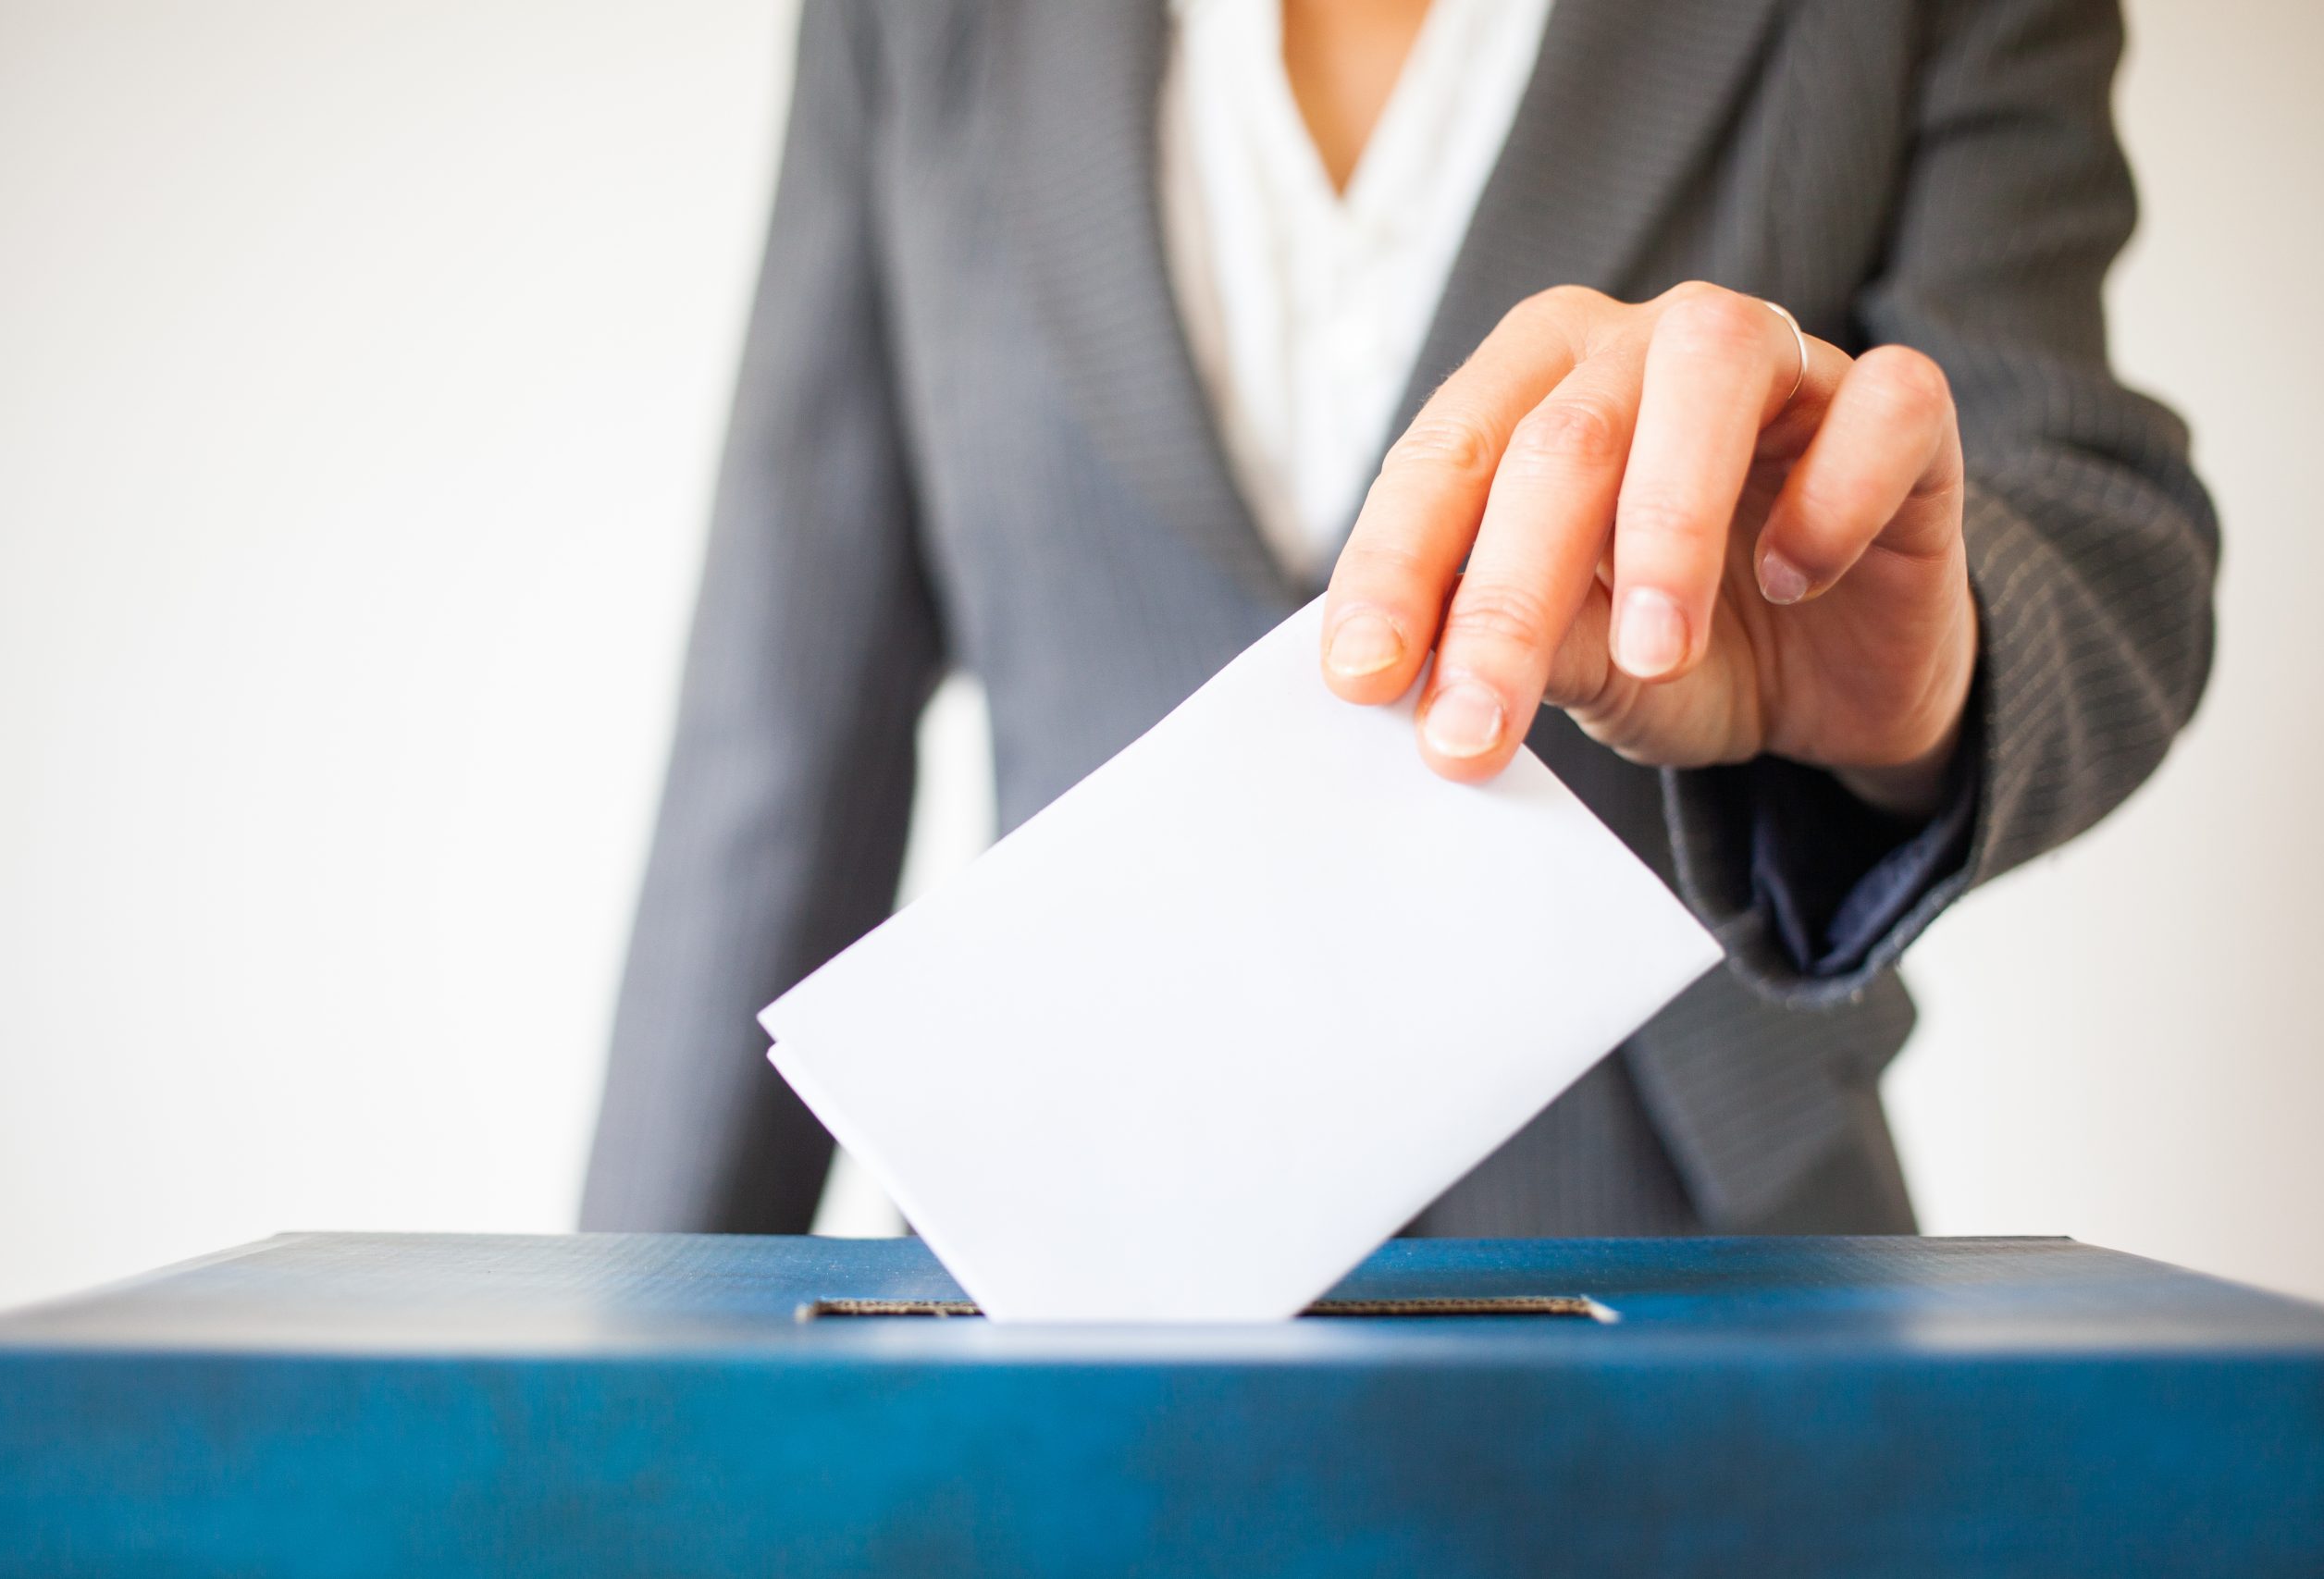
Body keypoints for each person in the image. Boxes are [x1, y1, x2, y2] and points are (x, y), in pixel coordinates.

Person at [579, 0, 2218, 1238]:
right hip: (1070, 1240)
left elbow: (2076, 501)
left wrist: (1932, 668)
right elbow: (779, 742)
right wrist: (612, 1431)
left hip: (1693, 1256)